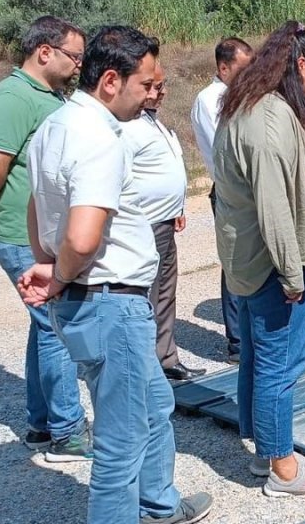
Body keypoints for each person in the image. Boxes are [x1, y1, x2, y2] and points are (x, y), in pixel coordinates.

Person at [18, 26, 213, 523]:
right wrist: (61, 273)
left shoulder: (54, 126)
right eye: (147, 84)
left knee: (152, 405)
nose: (153, 94)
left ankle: (159, 505)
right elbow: (83, 237)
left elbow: (34, 208)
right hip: (111, 303)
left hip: (96, 302)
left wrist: (48, 263)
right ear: (110, 80)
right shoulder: (100, 137)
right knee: (119, 446)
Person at [213, 21, 305, 497]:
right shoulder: (269, 120)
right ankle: (284, 469)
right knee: (280, 364)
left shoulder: (246, 106)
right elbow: (273, 206)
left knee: (259, 358)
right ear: (300, 64)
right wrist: (293, 273)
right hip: (273, 262)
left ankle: (268, 450)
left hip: (248, 257)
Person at [0, 16, 91, 461]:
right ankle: (67, 433)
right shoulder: (13, 96)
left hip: (39, 232)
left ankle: (40, 423)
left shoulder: (46, 96)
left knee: (44, 325)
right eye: (74, 56)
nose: (79, 65)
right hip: (20, 233)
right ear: (45, 51)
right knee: (56, 328)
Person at [120, 63, 206, 381]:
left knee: (166, 292)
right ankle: (145, 366)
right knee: (147, 296)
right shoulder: (126, 126)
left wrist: (178, 206)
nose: (161, 91)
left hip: (167, 221)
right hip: (145, 224)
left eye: (162, 85)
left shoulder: (154, 122)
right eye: (154, 86)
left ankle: (166, 358)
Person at [190, 37, 254, 362]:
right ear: (224, 67)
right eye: (243, 69)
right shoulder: (209, 100)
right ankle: (239, 343)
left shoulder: (241, 96)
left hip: (252, 191)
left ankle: (253, 335)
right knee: (235, 265)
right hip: (231, 191)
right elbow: (227, 151)